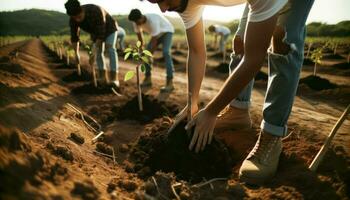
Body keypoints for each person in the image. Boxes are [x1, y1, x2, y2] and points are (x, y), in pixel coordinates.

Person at [146, 0, 315, 185]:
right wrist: (191, 102)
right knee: (240, 42)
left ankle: (271, 135)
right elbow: (196, 51)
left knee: (283, 43)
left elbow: (254, 59)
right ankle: (238, 112)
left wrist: (211, 111)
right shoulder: (185, 3)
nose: (162, 9)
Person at [65, 0, 120, 88]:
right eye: (75, 18)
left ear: (82, 10)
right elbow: (75, 37)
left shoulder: (95, 10)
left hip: (110, 29)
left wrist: (93, 51)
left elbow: (101, 34)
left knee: (110, 49)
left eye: (79, 16)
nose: (77, 20)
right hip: (95, 32)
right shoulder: (73, 20)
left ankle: (114, 79)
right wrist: (76, 54)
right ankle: (102, 78)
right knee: (98, 53)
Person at [128, 9, 175, 92]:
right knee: (145, 55)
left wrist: (150, 55)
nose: (137, 24)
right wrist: (141, 50)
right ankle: (148, 79)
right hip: (156, 35)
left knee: (166, 52)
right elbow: (140, 38)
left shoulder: (153, 20)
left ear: (141, 17)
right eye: (135, 22)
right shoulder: (136, 23)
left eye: (138, 21)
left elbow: (154, 40)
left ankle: (170, 82)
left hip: (167, 31)